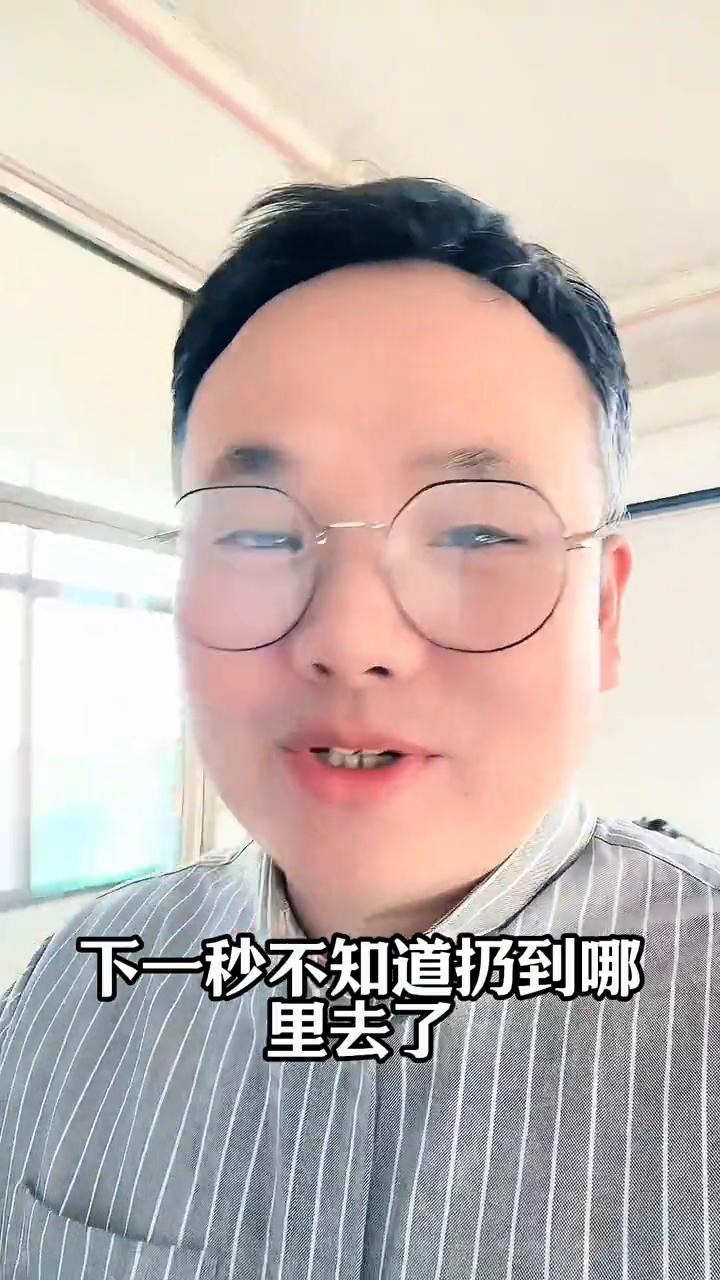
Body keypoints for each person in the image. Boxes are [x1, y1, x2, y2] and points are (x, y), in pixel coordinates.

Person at [1, 178, 718, 1279]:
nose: (349, 638)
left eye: (476, 532)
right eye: (254, 534)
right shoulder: (72, 990)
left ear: (605, 614)